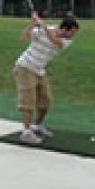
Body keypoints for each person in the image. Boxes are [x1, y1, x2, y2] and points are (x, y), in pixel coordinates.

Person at [14, 11, 79, 144]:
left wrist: (42, 26)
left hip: (39, 70)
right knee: (28, 100)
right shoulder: (44, 30)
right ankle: (26, 132)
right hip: (25, 66)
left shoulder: (66, 41)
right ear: (64, 29)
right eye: (72, 32)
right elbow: (24, 37)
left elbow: (56, 42)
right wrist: (32, 25)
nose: (73, 36)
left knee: (46, 101)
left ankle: (36, 126)